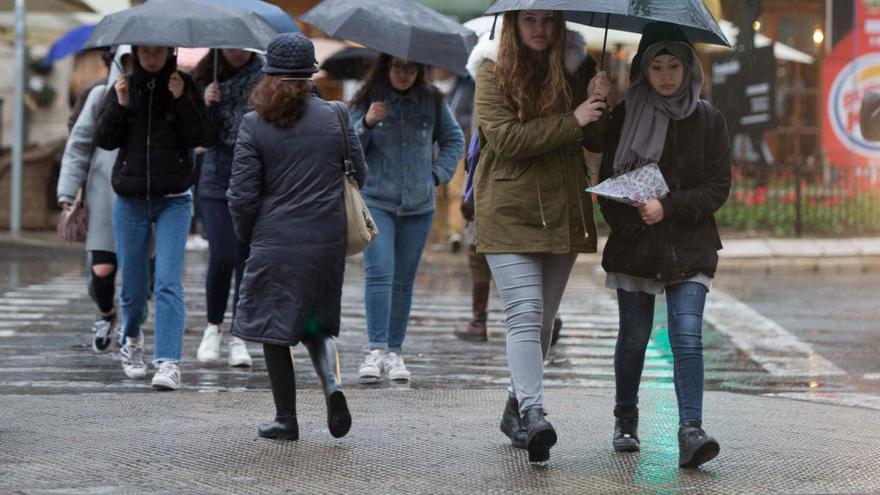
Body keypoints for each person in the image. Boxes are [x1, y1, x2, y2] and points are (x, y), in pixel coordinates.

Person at [468, 9, 609, 463]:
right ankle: (532, 412)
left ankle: (514, 405)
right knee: (525, 312)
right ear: (511, 23)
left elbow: (599, 138)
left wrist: (601, 100)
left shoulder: (577, 67)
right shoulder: (489, 69)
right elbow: (506, 139)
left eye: (549, 19)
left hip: (562, 208)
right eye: (529, 19)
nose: (539, 29)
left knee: (544, 322)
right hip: (508, 208)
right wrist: (575, 117)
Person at [597, 23, 731, 469]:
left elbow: (718, 187)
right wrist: (597, 102)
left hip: (689, 245)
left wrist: (668, 206)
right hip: (636, 246)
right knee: (633, 338)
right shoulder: (624, 114)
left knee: (687, 335)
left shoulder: (708, 118)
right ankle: (626, 420)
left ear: (690, 68)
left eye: (675, 65)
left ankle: (691, 430)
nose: (667, 75)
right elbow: (608, 186)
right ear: (643, 70)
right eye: (657, 66)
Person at [228, 33, 365, 441]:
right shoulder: (337, 115)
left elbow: (241, 195)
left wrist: (248, 235)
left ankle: (286, 419)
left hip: (275, 240)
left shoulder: (254, 124)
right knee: (315, 324)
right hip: (327, 239)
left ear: (269, 75)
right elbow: (360, 174)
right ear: (310, 75)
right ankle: (333, 387)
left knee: (275, 328)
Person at [94, 45, 215, 390]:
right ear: (135, 51)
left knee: (167, 282)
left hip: (174, 199)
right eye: (144, 51)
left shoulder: (185, 84)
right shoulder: (123, 85)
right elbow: (104, 139)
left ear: (169, 52)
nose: (150, 57)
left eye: (157, 51)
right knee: (132, 288)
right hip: (130, 198)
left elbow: (204, 137)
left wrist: (181, 99)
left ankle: (168, 361)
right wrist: (119, 105)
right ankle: (131, 338)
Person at [350, 54, 465, 383]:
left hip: (419, 205)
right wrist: (367, 123)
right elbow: (348, 147)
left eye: (410, 68)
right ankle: (376, 350)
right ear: (385, 67)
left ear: (420, 70)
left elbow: (454, 139)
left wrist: (437, 175)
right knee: (379, 272)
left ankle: (395, 352)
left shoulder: (432, 100)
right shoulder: (367, 98)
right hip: (376, 201)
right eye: (397, 67)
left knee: (402, 281)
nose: (403, 74)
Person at [190, 48, 263, 367]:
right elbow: (199, 137)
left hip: (255, 180)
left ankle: (240, 336)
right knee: (222, 257)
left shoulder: (266, 79)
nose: (236, 53)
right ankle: (213, 328)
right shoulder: (206, 79)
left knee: (246, 260)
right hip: (216, 179)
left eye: (242, 47)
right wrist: (207, 104)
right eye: (230, 46)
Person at [57, 47, 131, 352]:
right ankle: (106, 314)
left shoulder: (162, 95)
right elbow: (79, 145)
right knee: (102, 269)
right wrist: (67, 191)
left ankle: (132, 326)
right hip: (103, 193)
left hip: (145, 195)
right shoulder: (100, 95)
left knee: (139, 274)